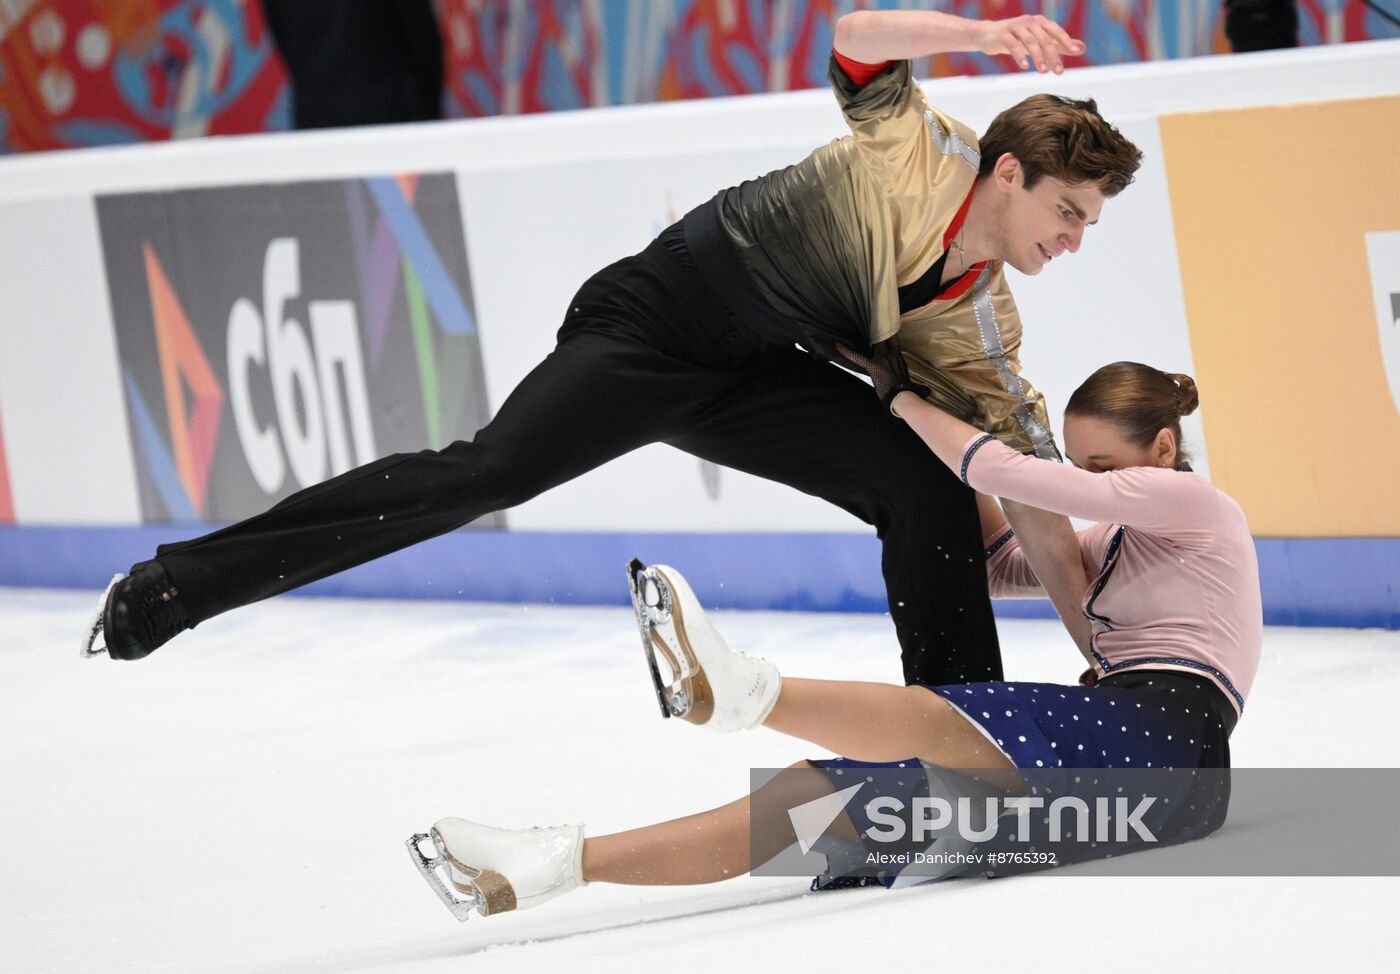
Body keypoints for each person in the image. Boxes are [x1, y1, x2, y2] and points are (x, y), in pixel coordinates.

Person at [84, 10, 1143, 691]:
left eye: (1088, 220)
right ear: (1006, 175)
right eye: (1068, 209)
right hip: (652, 324)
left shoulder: (981, 328)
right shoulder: (927, 153)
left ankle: (962, 736)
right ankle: (180, 585)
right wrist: (985, 35)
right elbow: (858, 31)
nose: (1073, 237)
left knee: (926, 485)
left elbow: (1036, 501)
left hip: (752, 369)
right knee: (483, 472)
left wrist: (1099, 657)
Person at [407, 363, 1262, 918]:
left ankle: (750, 693)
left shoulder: (1200, 507)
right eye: (1079, 465)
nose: (1088, 486)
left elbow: (1010, 473)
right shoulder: (1108, 545)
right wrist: (931, 465)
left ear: (1164, 446)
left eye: (1104, 470)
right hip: (1141, 788)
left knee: (955, 719)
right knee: (823, 800)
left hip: (1175, 738)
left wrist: (906, 398)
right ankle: (550, 869)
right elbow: (1001, 560)